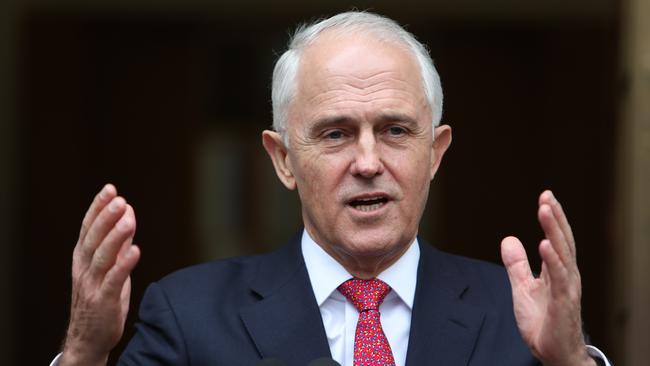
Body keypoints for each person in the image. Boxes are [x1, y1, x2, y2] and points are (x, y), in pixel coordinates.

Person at [54, 11, 611, 366]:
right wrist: (83, 354)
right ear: (284, 160)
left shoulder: (518, 319)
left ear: (435, 152)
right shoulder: (189, 315)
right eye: (336, 133)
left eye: (395, 130)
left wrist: (570, 363)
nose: (368, 162)